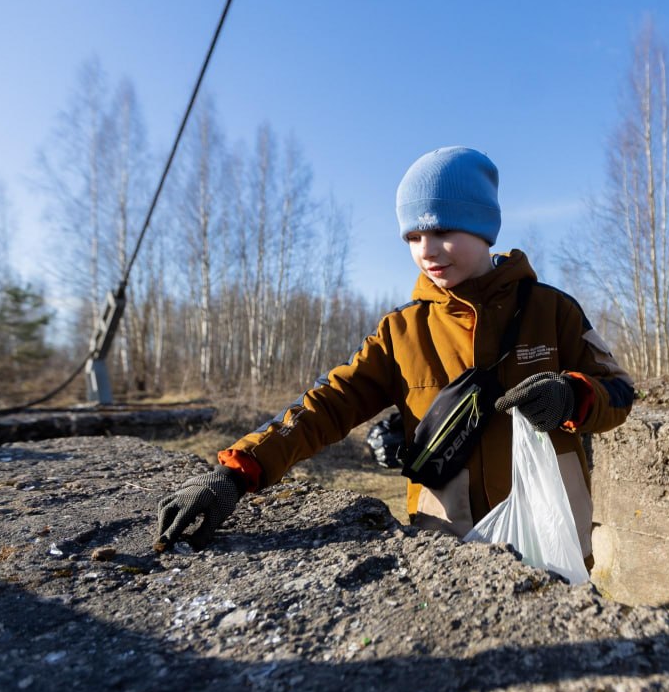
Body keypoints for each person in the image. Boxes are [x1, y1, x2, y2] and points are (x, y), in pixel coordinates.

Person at [155, 146, 635, 567]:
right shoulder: (401, 330)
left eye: (442, 229)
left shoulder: (552, 310)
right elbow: (328, 404)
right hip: (446, 548)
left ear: (484, 228)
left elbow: (619, 392)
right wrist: (235, 474)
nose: (426, 250)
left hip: (556, 541)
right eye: (411, 236)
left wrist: (572, 398)